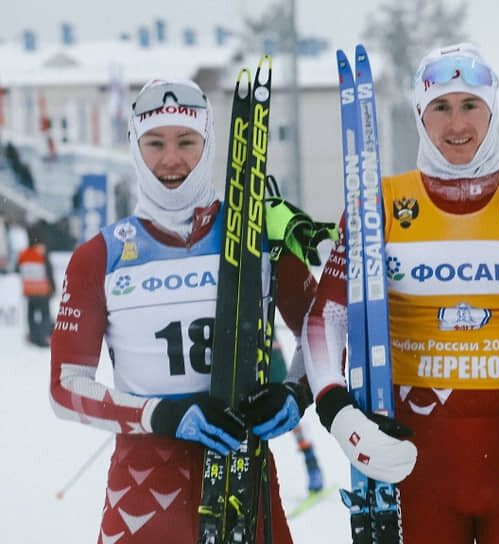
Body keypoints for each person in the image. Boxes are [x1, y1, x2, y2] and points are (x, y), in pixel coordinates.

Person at [302, 43, 499, 543]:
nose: (456, 125)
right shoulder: (379, 203)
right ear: (420, 115)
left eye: (470, 105)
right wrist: (337, 411)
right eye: (440, 108)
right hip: (415, 460)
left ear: (492, 109)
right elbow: (326, 317)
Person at [48, 78, 319, 543]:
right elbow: (65, 388)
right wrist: (163, 415)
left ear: (208, 142)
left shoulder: (259, 233)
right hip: (143, 488)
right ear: (135, 146)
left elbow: (323, 332)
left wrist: (297, 392)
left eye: (186, 141)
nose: (170, 159)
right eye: (155, 143)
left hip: (243, 476)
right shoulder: (101, 254)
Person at [17, 220, 55, 347]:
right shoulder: (42, 253)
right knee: (45, 314)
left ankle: (33, 336)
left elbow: (19, 269)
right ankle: (44, 337)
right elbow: (49, 271)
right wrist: (53, 287)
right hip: (42, 290)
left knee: (31, 315)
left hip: (29, 291)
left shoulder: (23, 254)